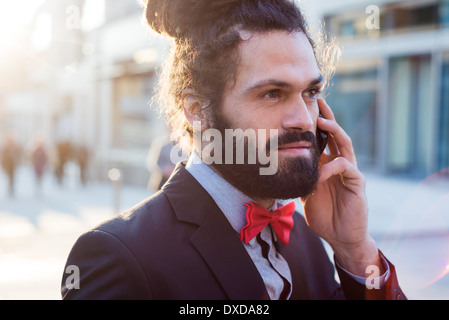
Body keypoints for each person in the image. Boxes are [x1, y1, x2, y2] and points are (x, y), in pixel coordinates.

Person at [61, 0, 406, 300]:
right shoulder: (119, 255)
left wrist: (354, 249)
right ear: (197, 110)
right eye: (272, 93)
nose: (303, 119)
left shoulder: (311, 241)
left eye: (311, 93)